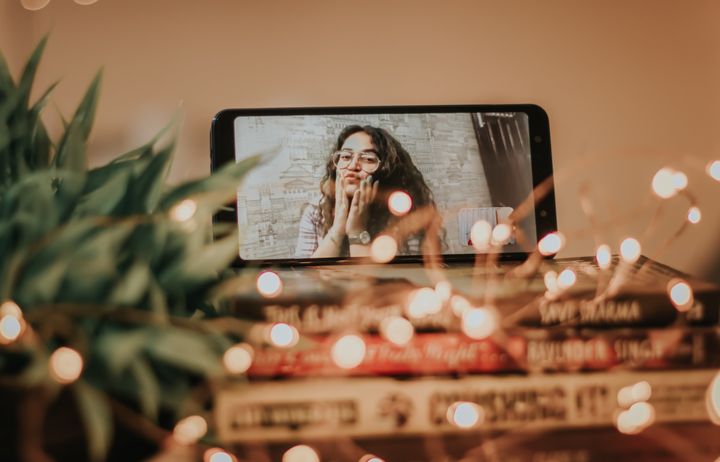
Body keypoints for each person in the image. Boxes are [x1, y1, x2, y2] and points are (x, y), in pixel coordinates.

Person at [295, 125, 437, 258]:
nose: (352, 166)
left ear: (386, 171)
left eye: (368, 159)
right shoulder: (315, 213)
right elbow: (305, 277)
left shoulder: (408, 215)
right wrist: (337, 230)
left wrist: (357, 231)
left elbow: (388, 283)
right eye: (345, 156)